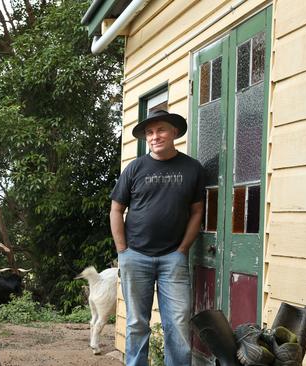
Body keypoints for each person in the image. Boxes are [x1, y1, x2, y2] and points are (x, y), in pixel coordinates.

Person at [109, 109, 205, 366]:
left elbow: (197, 212)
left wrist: (183, 249)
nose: (154, 136)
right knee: (136, 324)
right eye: (150, 132)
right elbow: (116, 209)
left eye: (160, 130)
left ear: (174, 132)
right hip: (135, 257)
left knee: (178, 322)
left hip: (173, 259)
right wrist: (123, 251)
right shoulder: (135, 168)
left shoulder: (192, 168)